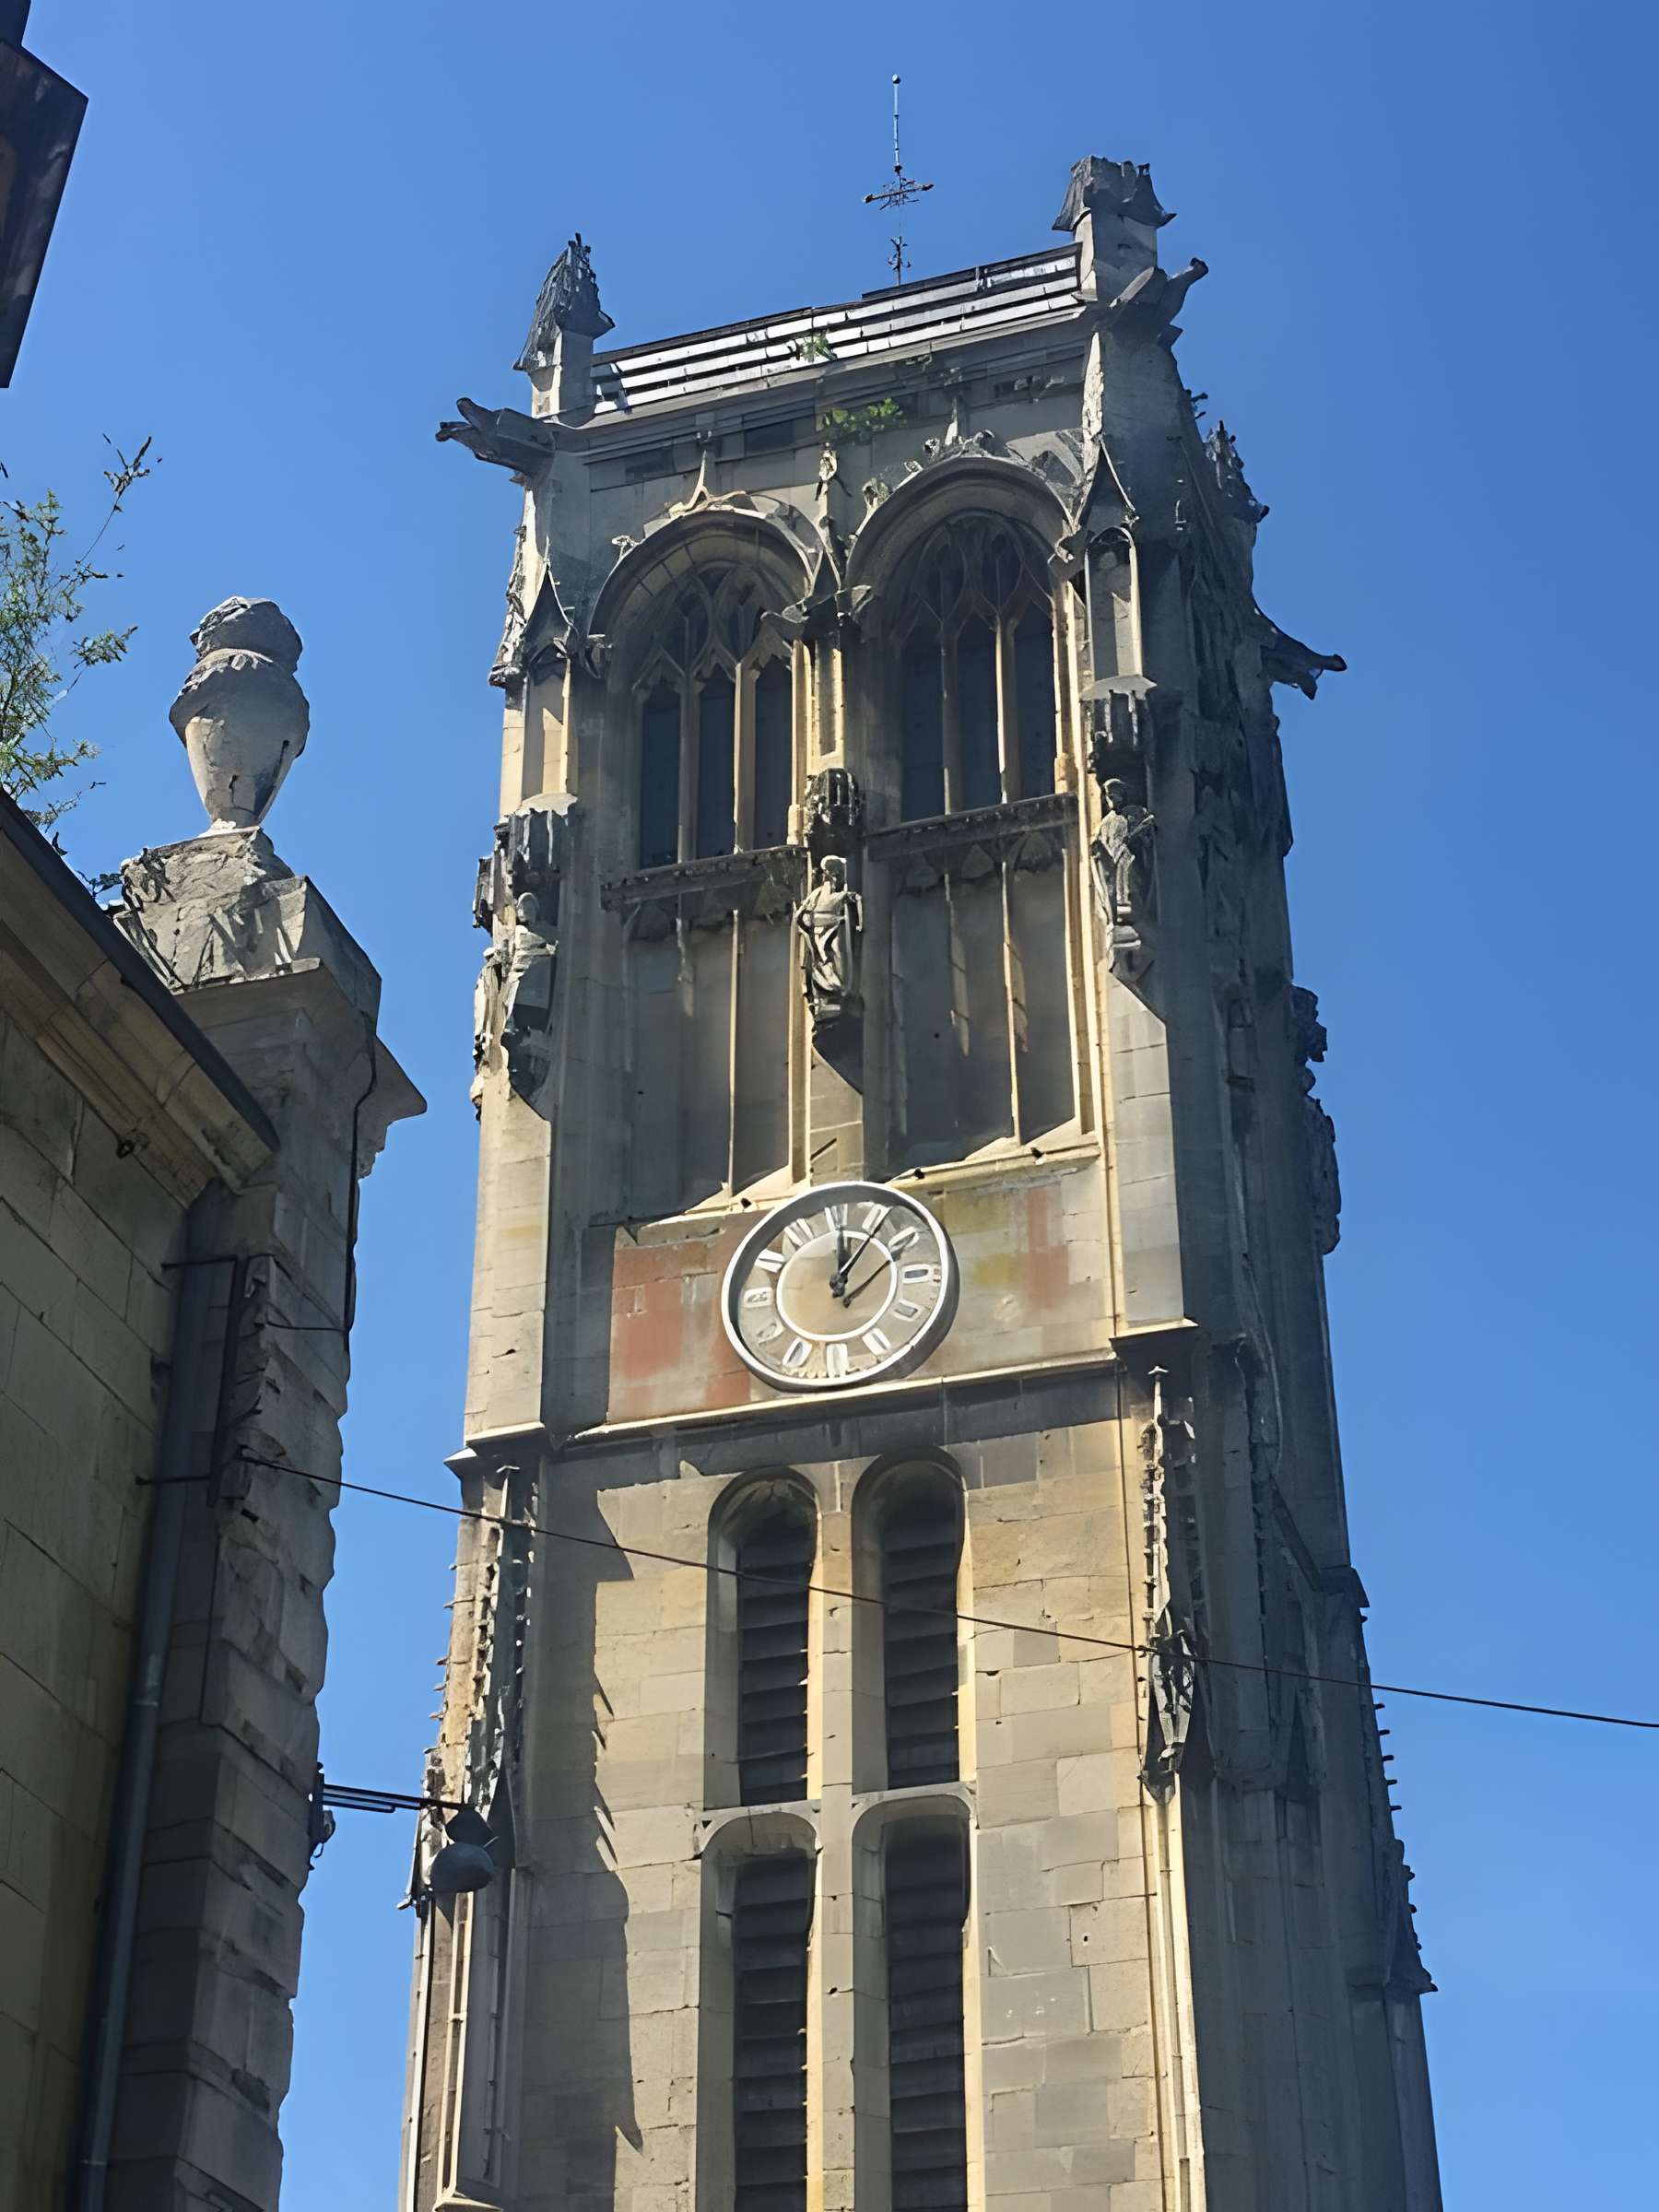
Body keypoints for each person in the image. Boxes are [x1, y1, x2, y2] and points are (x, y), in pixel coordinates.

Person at [796, 853, 862, 1025]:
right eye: (831, 873)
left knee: (839, 961)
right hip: (820, 935)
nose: (834, 877)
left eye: (837, 873)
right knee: (823, 964)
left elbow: (855, 910)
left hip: (836, 934)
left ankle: (839, 994)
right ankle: (826, 1001)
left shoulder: (844, 892)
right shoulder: (818, 894)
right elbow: (800, 917)